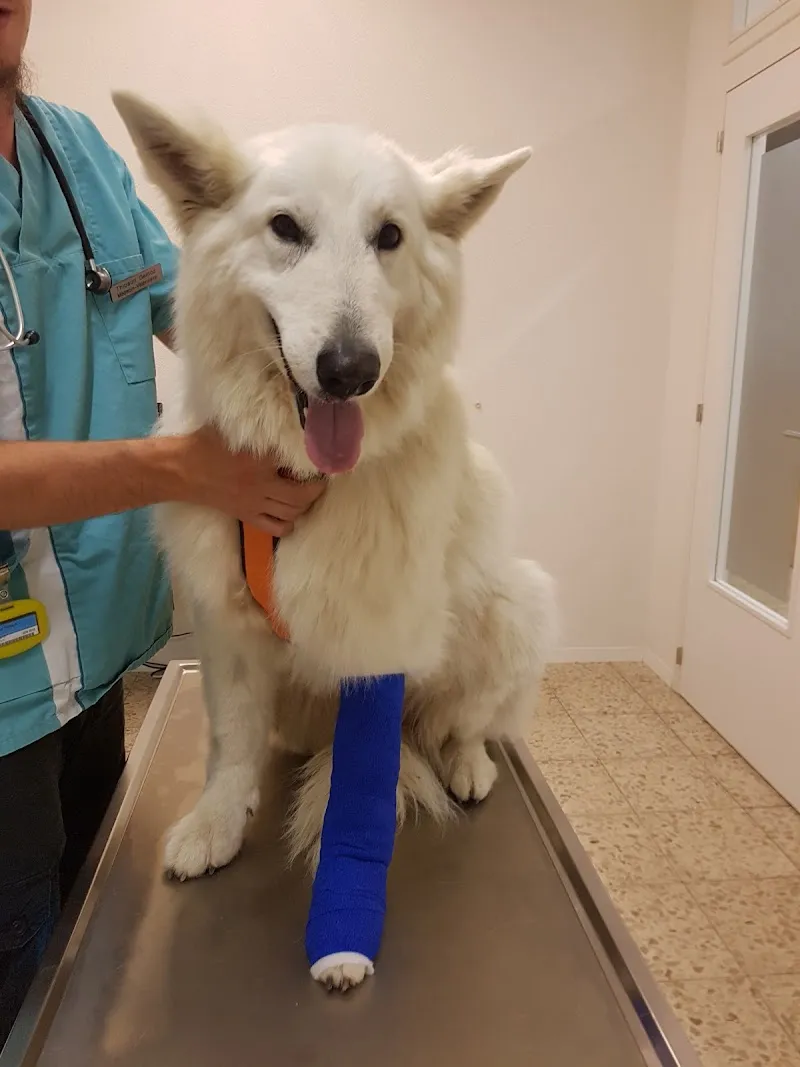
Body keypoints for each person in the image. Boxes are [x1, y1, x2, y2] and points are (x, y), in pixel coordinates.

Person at [0, 1, 324, 1047]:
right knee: (18, 947)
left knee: (92, 910)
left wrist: (318, 371)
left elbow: (204, 302)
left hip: (98, 635)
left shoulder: (77, 150)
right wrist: (187, 467)